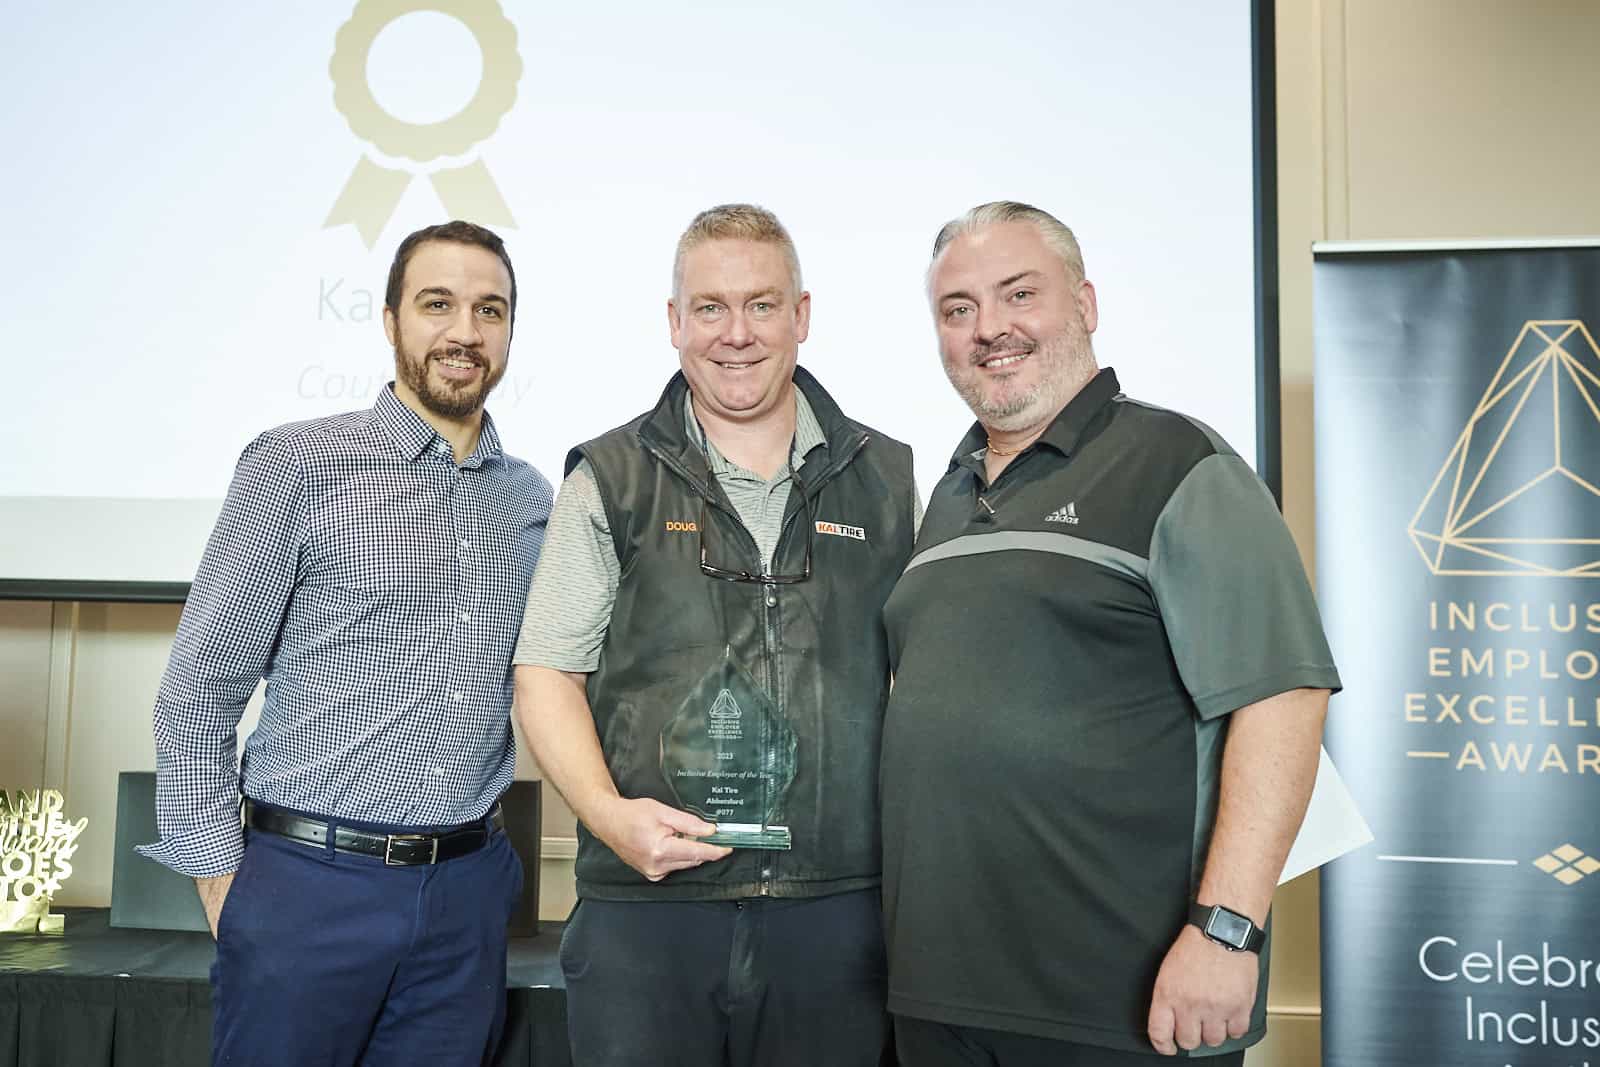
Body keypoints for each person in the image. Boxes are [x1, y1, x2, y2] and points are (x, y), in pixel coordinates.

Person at [878, 201, 1342, 1066]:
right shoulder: (944, 496)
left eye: (1019, 293)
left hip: (1123, 1000)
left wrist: (1227, 931)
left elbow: (1285, 697)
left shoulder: (1179, 463)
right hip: (940, 995)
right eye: (958, 309)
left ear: (1085, 303)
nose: (989, 329)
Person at [513, 203, 920, 1066]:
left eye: (762, 305)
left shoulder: (889, 481)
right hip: (647, 911)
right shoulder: (611, 478)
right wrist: (611, 819)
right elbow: (545, 674)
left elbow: (924, 686)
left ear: (801, 316)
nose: (736, 334)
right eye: (709, 308)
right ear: (674, 323)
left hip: (838, 913)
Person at [141, 220, 552, 1066]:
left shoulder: (530, 500)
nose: (465, 331)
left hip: (467, 899)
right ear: (392, 319)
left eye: (491, 309)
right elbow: (199, 687)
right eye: (438, 304)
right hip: (306, 888)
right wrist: (225, 885)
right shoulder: (298, 464)